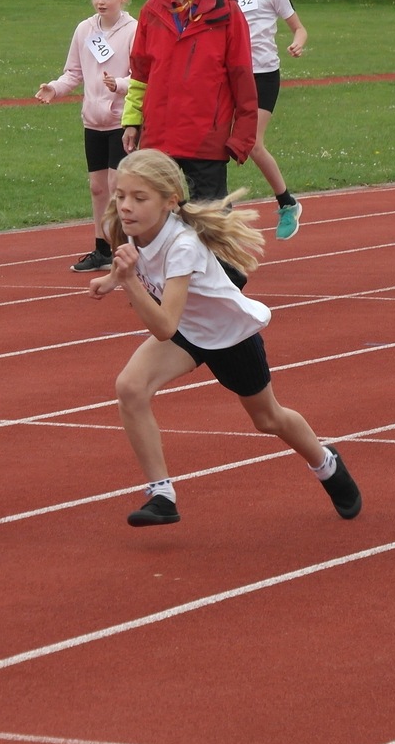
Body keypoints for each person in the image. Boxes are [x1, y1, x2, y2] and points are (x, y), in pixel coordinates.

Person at [89, 149, 361, 528]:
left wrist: (127, 280)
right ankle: (162, 494)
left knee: (268, 418)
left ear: (170, 201)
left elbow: (163, 326)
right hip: (188, 331)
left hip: (228, 335)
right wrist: (112, 278)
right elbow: (152, 286)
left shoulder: (183, 245)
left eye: (139, 198)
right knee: (130, 388)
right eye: (120, 196)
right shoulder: (134, 229)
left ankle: (326, 463)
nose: (125, 206)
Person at [121, 0, 257, 205]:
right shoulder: (152, 11)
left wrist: (242, 137)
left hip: (205, 137)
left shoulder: (227, 11)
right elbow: (140, 74)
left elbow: (242, 76)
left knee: (212, 220)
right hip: (159, 135)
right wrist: (132, 121)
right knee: (153, 214)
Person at [224, 0, 326, 240]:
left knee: (253, 144)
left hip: (263, 75)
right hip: (229, 76)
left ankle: (287, 203)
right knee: (215, 139)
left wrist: (297, 42)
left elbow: (299, 28)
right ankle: (219, 206)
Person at [37, 0, 137, 273]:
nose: (101, 2)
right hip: (93, 121)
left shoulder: (134, 30)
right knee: (97, 187)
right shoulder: (85, 29)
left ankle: (125, 248)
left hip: (121, 120)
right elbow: (74, 72)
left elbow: (141, 76)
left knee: (117, 185)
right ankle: (101, 248)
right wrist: (55, 88)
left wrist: (119, 84)